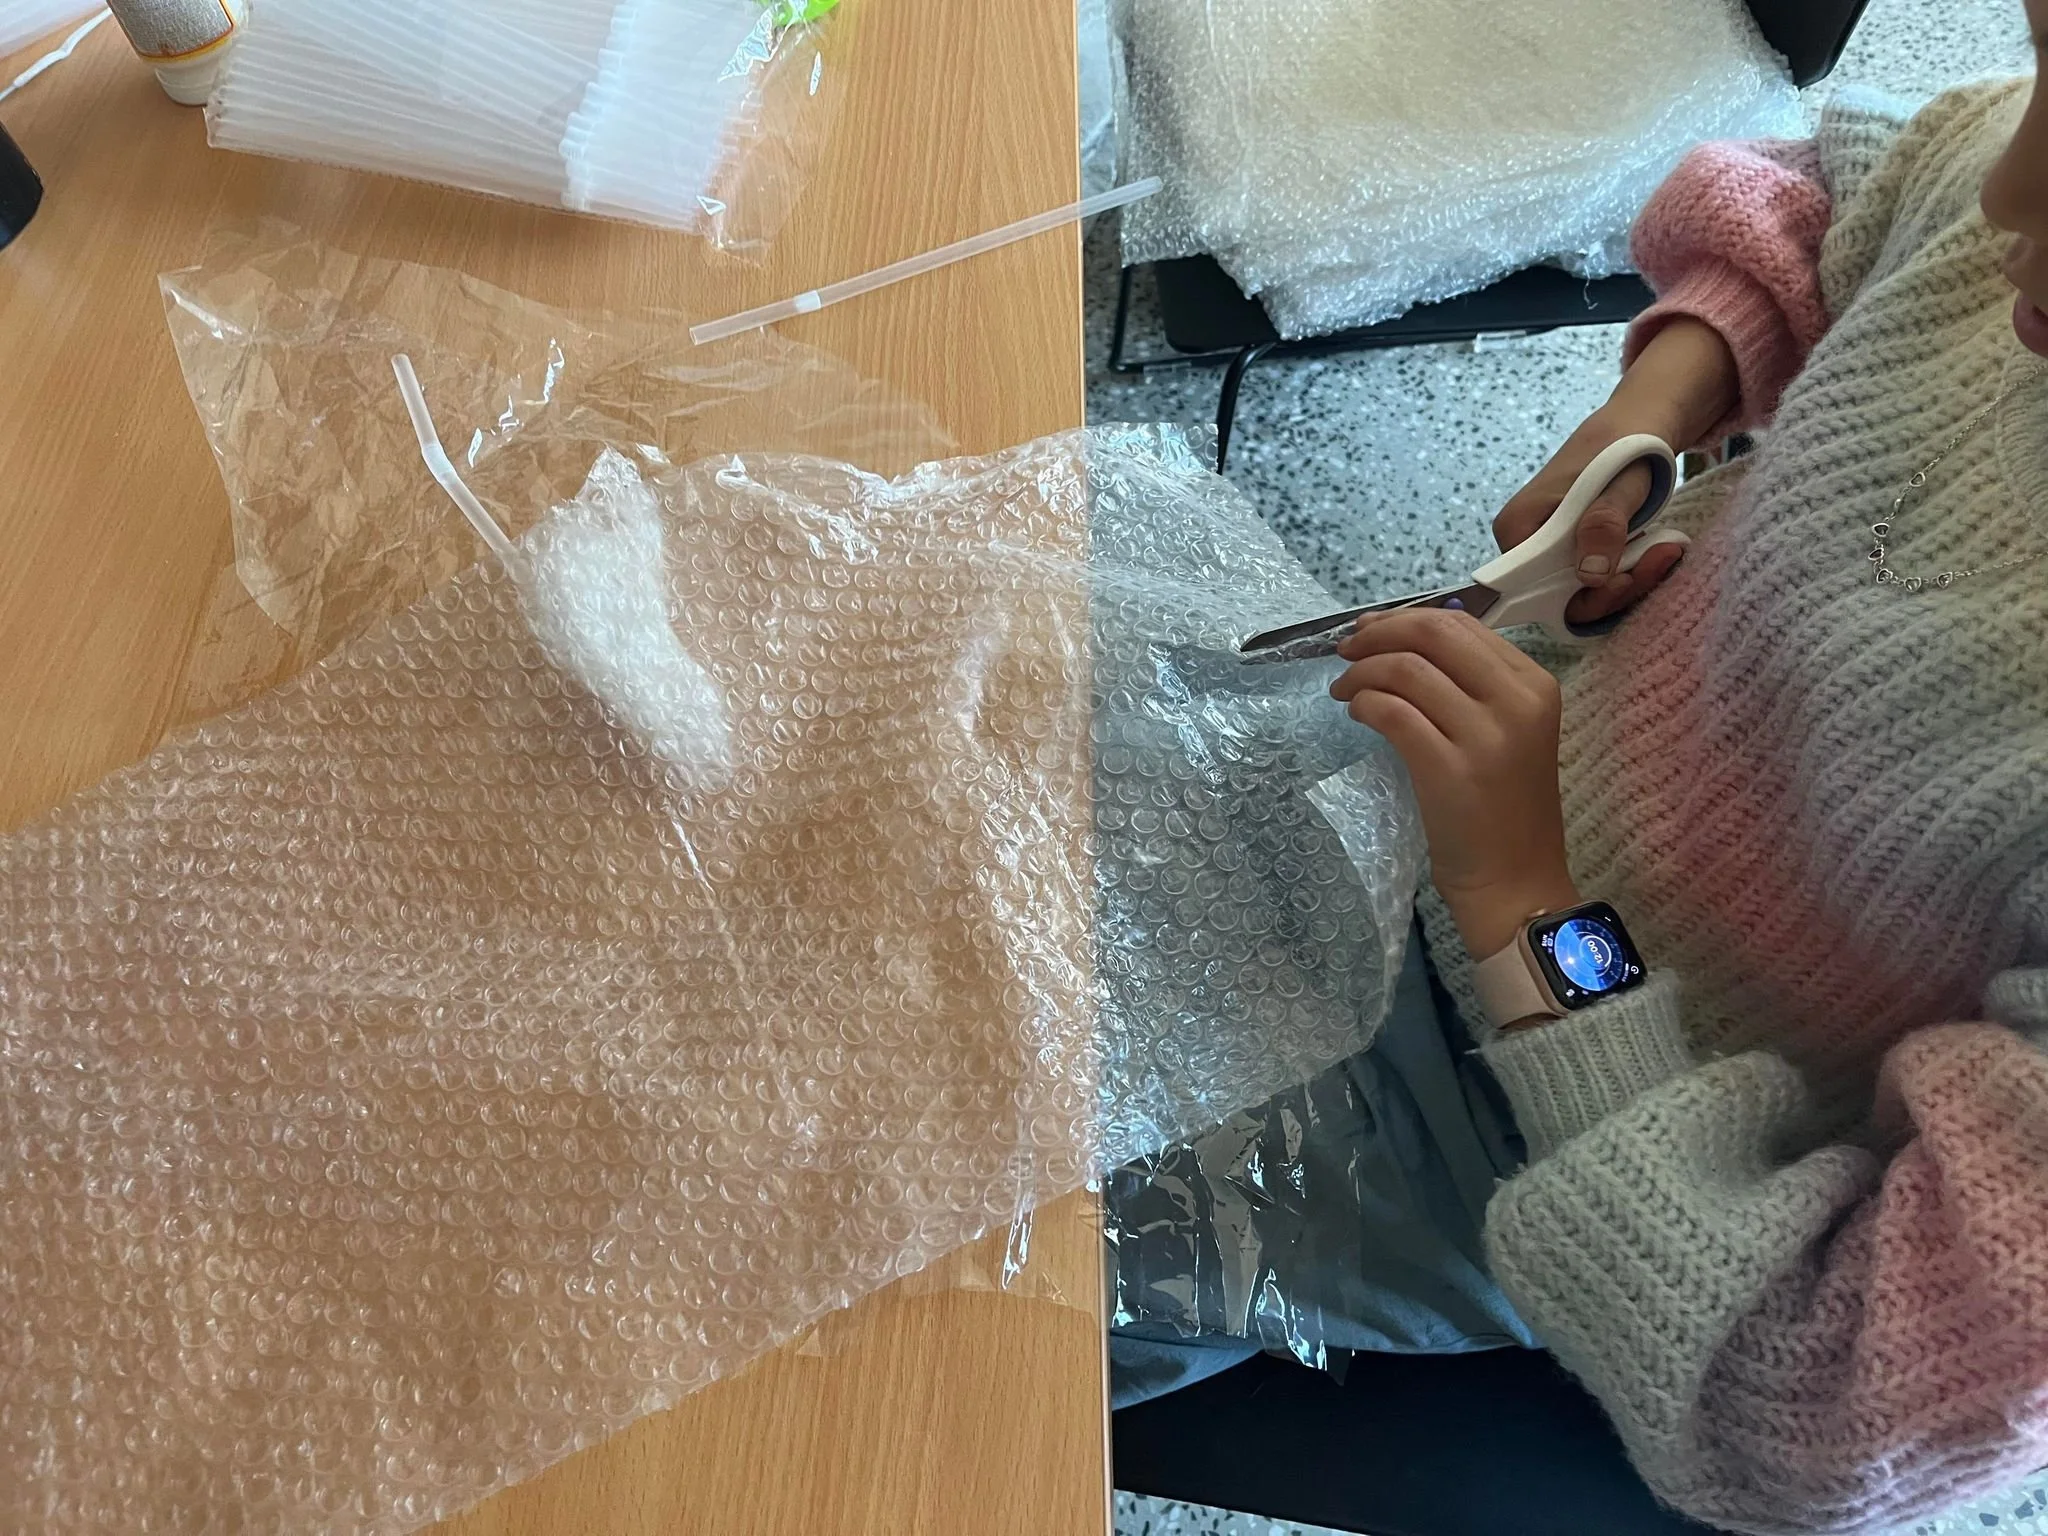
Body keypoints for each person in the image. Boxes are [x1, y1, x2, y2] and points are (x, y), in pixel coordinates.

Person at [1115, 9, 2048, 1532]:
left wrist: (1526, 899)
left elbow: (1804, 1407)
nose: (2013, 193)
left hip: (1543, 1094)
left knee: (930, 1255)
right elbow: (1840, 191)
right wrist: (1656, 410)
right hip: (1470, 784)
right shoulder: (2011, 202)